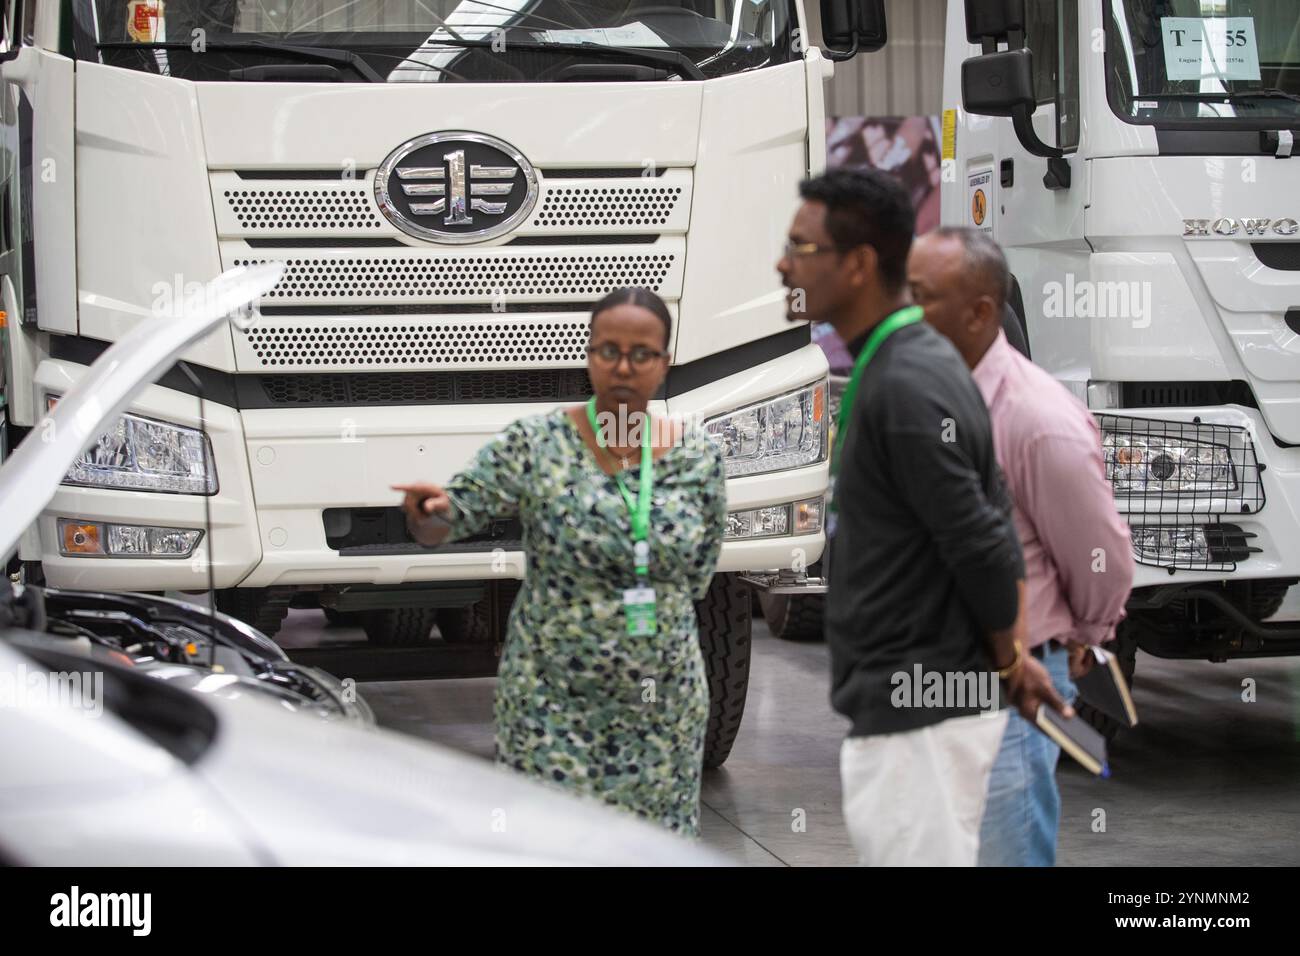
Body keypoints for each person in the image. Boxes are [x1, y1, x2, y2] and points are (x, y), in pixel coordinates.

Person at [777, 168, 1067, 866]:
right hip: (917, 707)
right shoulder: (914, 364)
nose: (783, 264)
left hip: (924, 719)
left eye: (801, 247)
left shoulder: (907, 382)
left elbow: (982, 541)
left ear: (859, 264)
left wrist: (1008, 659)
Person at [393, 288, 727, 837]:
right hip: (552, 702)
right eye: (607, 350)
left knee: (653, 846)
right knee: (551, 841)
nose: (623, 366)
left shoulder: (698, 458)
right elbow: (450, 519)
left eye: (641, 354)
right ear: (589, 355)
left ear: (665, 362)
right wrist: (428, 513)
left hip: (661, 705)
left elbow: (698, 573)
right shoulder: (537, 444)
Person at [908, 227, 1135, 866]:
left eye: (922, 296)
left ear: (980, 312)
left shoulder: (1038, 421)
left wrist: (1090, 630)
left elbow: (1101, 553)